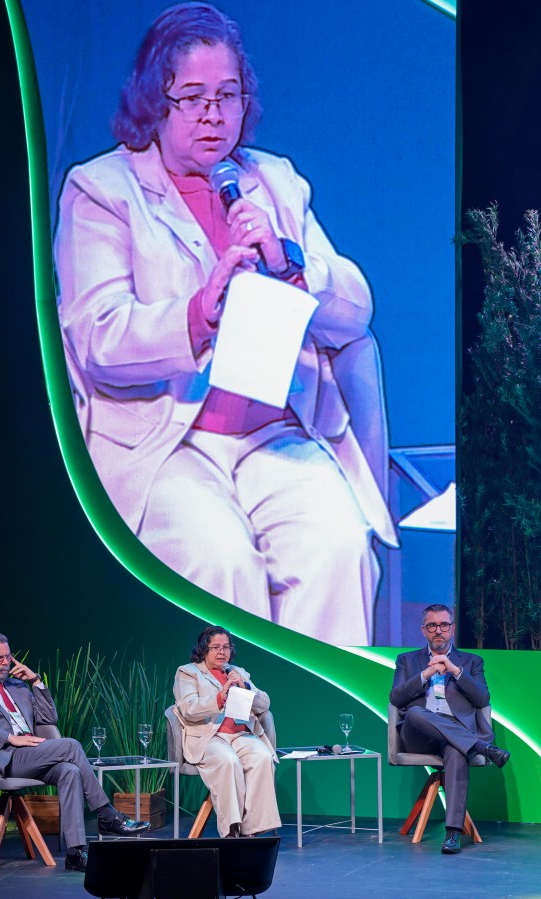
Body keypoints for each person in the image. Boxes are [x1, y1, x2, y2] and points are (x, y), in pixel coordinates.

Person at [54, 2, 398, 648]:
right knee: (221, 559)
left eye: (227, 95)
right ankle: (232, 741)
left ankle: (318, 739)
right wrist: (197, 311)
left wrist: (289, 261)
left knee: (336, 547)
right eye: (192, 98)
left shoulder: (275, 181)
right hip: (169, 444)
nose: (214, 115)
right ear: (154, 101)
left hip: (277, 433)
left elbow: (355, 309)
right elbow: (99, 336)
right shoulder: (102, 191)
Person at [0, 630, 149, 872]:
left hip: (32, 751)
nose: (5, 663)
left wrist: (35, 681)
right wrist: (9, 737)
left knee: (69, 771)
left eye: (8, 657)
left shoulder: (17, 685)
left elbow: (48, 718)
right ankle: (107, 815)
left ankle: (75, 852)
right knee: (72, 745)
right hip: (5, 755)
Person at [389, 604, 510, 855]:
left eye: (444, 625)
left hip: (454, 734)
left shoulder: (472, 661)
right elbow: (397, 697)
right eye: (432, 625)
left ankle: (453, 833)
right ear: (424, 630)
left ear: (452, 628)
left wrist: (454, 670)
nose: (438, 631)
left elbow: (481, 700)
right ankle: (482, 746)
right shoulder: (407, 660)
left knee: (456, 750)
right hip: (418, 733)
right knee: (414, 712)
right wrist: (428, 672)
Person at [173, 625, 280, 837]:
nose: (222, 652)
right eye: (215, 647)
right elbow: (188, 707)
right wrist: (219, 698)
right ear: (204, 649)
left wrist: (246, 688)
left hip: (241, 735)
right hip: (209, 737)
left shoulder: (238, 672)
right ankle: (231, 829)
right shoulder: (188, 672)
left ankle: (252, 830)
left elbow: (264, 704)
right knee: (229, 761)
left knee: (262, 757)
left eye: (226, 647)